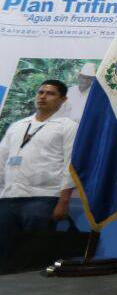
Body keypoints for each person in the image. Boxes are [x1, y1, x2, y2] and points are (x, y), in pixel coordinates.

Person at [0, 80, 76, 262]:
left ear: (63, 99)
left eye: (50, 93)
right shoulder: (17, 126)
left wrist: (63, 202)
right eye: (40, 92)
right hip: (8, 198)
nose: (43, 96)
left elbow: (71, 165)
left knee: (33, 254)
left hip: (43, 198)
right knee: (3, 252)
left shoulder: (67, 125)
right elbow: (1, 163)